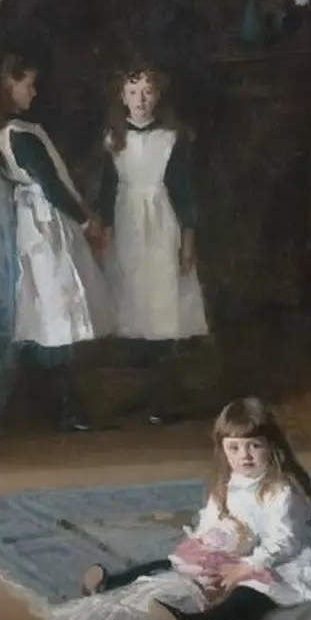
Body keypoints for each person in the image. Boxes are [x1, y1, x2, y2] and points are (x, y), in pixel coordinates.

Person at [48, 396, 311, 620]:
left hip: (282, 558)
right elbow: (212, 523)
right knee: (177, 563)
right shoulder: (226, 485)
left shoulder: (281, 491)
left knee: (257, 590)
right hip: (237, 549)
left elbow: (285, 542)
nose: (245, 456)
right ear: (223, 450)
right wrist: (205, 553)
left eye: (254, 446)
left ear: (271, 447)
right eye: (234, 448)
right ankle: (112, 582)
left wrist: (245, 568)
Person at [0, 54, 113, 432]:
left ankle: (66, 404)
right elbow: (51, 185)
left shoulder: (17, 131)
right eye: (28, 84)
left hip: (38, 221)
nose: (33, 92)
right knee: (57, 309)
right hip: (45, 224)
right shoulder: (19, 134)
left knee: (53, 310)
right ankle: (66, 406)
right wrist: (85, 220)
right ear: (9, 85)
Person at [95, 61, 209, 423]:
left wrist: (187, 239)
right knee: (132, 304)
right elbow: (106, 191)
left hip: (161, 224)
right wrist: (104, 231)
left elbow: (186, 192)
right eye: (133, 93)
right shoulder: (112, 139)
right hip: (126, 226)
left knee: (161, 304)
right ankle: (141, 393)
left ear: (158, 95)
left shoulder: (172, 138)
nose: (140, 100)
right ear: (122, 97)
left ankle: (162, 397)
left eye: (147, 92)